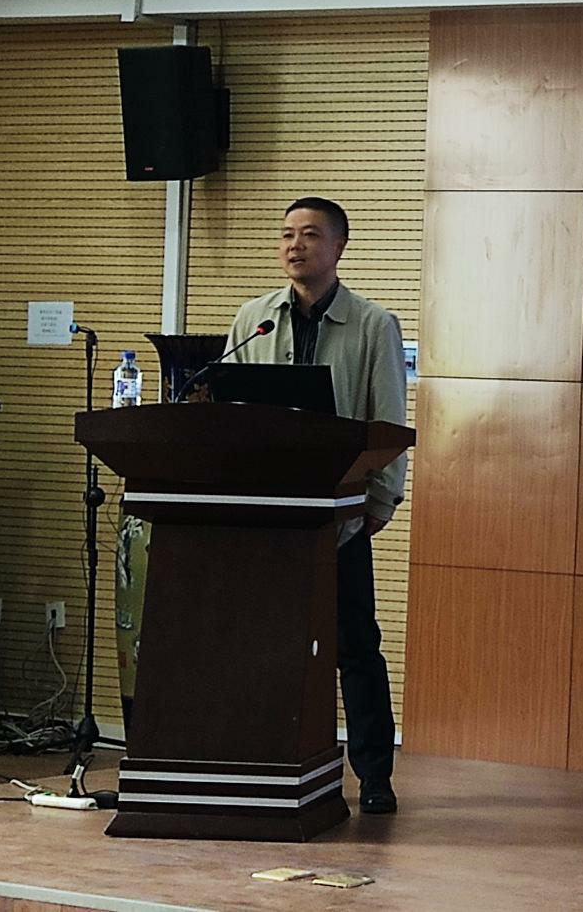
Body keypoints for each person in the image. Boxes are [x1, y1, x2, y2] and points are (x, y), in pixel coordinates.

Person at [229, 197, 407, 815]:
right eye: (286, 234)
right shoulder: (253, 319)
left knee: (355, 647)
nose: (294, 245)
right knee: (266, 643)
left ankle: (375, 776)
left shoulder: (373, 324)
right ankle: (266, 761)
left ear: (339, 247)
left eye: (309, 234)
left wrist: (381, 499)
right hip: (269, 516)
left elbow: (389, 419)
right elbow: (231, 412)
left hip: (340, 513)